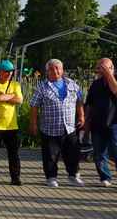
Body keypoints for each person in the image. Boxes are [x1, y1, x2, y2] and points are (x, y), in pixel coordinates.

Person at [28, 58, 85, 187]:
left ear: (62, 70)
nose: (55, 71)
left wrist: (82, 116)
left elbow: (79, 100)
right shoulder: (42, 87)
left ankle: (73, 176)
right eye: (51, 69)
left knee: (73, 153)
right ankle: (51, 177)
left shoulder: (72, 84)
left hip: (69, 127)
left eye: (57, 68)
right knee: (50, 155)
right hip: (50, 128)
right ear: (47, 71)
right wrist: (33, 123)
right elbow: (34, 106)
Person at [83, 57, 117, 189]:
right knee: (99, 152)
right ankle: (105, 177)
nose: (100, 70)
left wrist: (109, 74)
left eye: (102, 68)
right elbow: (89, 104)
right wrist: (86, 121)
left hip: (115, 121)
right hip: (97, 122)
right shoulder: (96, 84)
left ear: (111, 68)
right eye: (99, 68)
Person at [0, 59, 23, 185]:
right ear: (0, 72)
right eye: (7, 71)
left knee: (14, 153)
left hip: (11, 125)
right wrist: (12, 96)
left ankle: (15, 178)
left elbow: (19, 100)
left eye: (11, 72)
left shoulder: (16, 85)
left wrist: (7, 96)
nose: (9, 74)